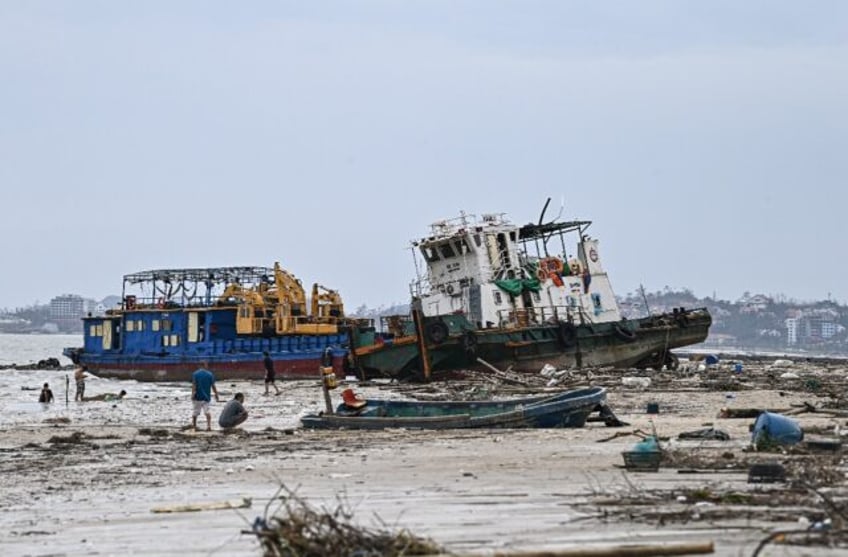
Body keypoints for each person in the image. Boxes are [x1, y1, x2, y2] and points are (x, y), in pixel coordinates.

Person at [191, 364, 220, 431]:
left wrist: (192, 394)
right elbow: (213, 385)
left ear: (199, 366)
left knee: (195, 412)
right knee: (207, 412)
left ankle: (194, 426)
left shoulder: (195, 374)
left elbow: (194, 385)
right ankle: (209, 426)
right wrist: (216, 395)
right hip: (206, 397)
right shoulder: (210, 374)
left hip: (197, 397)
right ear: (205, 366)